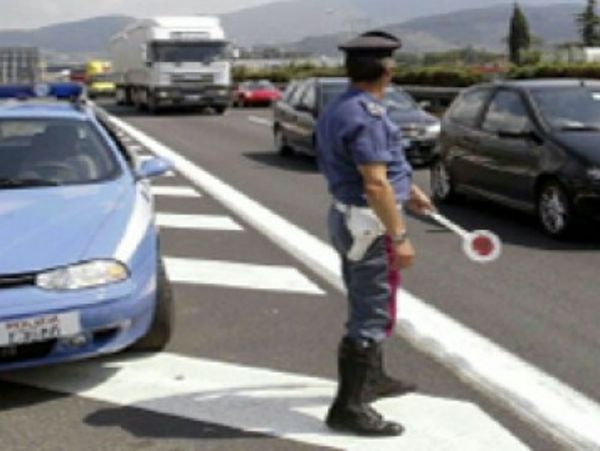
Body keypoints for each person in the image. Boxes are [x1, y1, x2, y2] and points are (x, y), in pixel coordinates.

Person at [315, 31, 434, 437]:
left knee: (367, 301)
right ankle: (349, 408)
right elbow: (375, 183)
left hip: (349, 217)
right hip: (369, 224)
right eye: (392, 64)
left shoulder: (343, 106)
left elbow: (382, 168)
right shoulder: (367, 115)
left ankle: (374, 379)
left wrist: (411, 190)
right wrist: (400, 236)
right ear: (385, 70)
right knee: (371, 312)